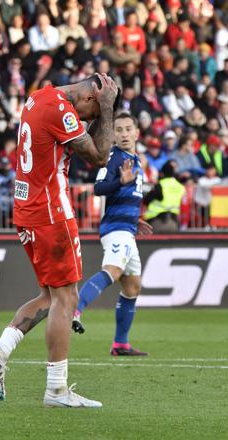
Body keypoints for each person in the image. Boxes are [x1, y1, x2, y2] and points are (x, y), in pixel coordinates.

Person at [0, 73, 119, 408]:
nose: (89, 122)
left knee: (50, 296)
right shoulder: (61, 110)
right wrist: (109, 110)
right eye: (91, 114)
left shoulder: (39, 96)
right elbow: (100, 157)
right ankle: (56, 390)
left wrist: (102, 109)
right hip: (51, 211)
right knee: (67, 299)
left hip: (27, 210)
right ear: (88, 98)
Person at [71, 112, 153, 355]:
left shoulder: (134, 159)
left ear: (137, 133)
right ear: (113, 134)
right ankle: (74, 310)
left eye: (129, 129)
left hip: (126, 228)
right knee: (113, 272)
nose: (124, 133)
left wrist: (134, 219)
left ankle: (120, 344)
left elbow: (126, 195)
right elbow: (99, 188)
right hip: (116, 230)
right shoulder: (114, 158)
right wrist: (120, 182)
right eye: (119, 130)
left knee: (132, 287)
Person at [143, 160, 186, 233]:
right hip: (174, 223)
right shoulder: (180, 187)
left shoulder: (160, 185)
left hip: (158, 222)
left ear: (162, 173)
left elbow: (147, 200)